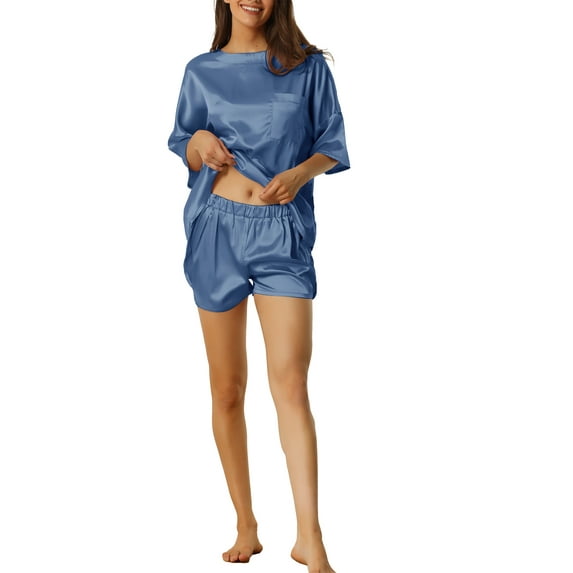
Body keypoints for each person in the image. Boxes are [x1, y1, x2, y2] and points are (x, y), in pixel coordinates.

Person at [167, 1, 350, 571]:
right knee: (227, 389)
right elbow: (184, 146)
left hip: (280, 233)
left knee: (291, 382)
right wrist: (199, 142)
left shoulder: (308, 67)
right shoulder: (201, 70)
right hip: (216, 229)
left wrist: (299, 172)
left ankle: (310, 537)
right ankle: (246, 523)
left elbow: (332, 144)